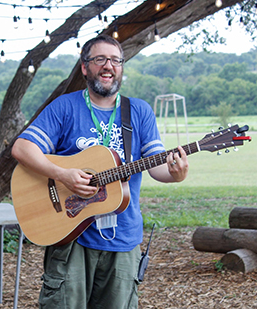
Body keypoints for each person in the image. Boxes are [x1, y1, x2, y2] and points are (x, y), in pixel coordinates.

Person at [11, 34, 189, 309]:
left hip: (123, 237)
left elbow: (157, 166)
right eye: (100, 59)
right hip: (71, 237)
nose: (109, 66)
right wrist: (62, 174)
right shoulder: (65, 107)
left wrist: (176, 173)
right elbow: (22, 149)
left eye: (116, 60)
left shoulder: (138, 111)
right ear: (85, 67)